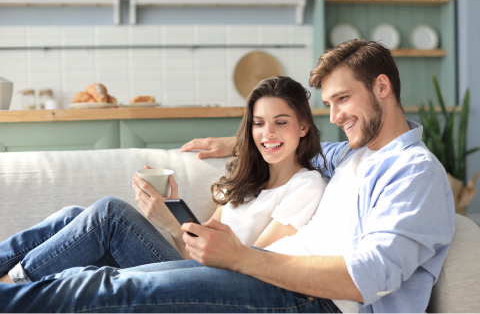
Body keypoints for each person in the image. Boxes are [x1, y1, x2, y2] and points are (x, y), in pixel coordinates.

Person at [0, 39, 455, 314]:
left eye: (342, 100)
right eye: (329, 105)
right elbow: (294, 144)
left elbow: (368, 276)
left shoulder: (414, 174)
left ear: (382, 87)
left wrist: (242, 258)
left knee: (97, 285)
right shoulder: (354, 155)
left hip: (315, 303)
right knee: (93, 232)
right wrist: (236, 142)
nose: (334, 117)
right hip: (273, 280)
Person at [0, 76, 327, 286]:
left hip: (219, 286)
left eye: (280, 122)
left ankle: (11, 285)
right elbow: (193, 254)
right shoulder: (246, 183)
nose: (267, 133)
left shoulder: (306, 185)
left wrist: (170, 223)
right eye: (258, 123)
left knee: (111, 216)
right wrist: (172, 210)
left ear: (303, 127)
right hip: (193, 271)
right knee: (74, 217)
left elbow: (256, 264)